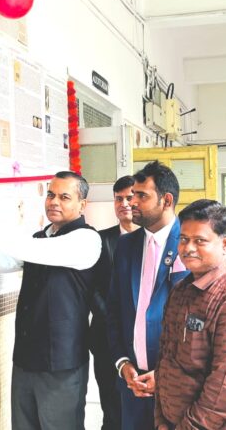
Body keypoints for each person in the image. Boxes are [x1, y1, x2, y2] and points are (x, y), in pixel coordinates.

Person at [0, 171, 102, 430]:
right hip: (26, 360)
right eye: (50, 194)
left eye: (64, 197)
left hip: (61, 366)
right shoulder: (40, 237)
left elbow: (28, 250)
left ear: (82, 205)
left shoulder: (87, 240)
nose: (54, 202)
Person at [155, 199, 226, 430]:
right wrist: (161, 421)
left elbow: (225, 388)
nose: (188, 248)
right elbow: (166, 359)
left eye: (200, 241)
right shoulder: (182, 290)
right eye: (184, 239)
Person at [106, 161, 188, 430]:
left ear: (166, 200)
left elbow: (196, 322)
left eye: (141, 196)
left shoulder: (189, 243)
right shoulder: (127, 245)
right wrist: (122, 362)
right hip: (133, 383)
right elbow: (115, 308)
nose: (132, 203)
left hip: (178, 384)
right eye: (131, 196)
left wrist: (165, 373)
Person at [90, 175, 138, 430]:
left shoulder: (150, 241)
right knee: (111, 405)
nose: (124, 203)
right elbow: (92, 288)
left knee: (140, 406)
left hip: (143, 342)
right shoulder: (101, 240)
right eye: (118, 199)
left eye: (130, 197)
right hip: (105, 339)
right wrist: (114, 319)